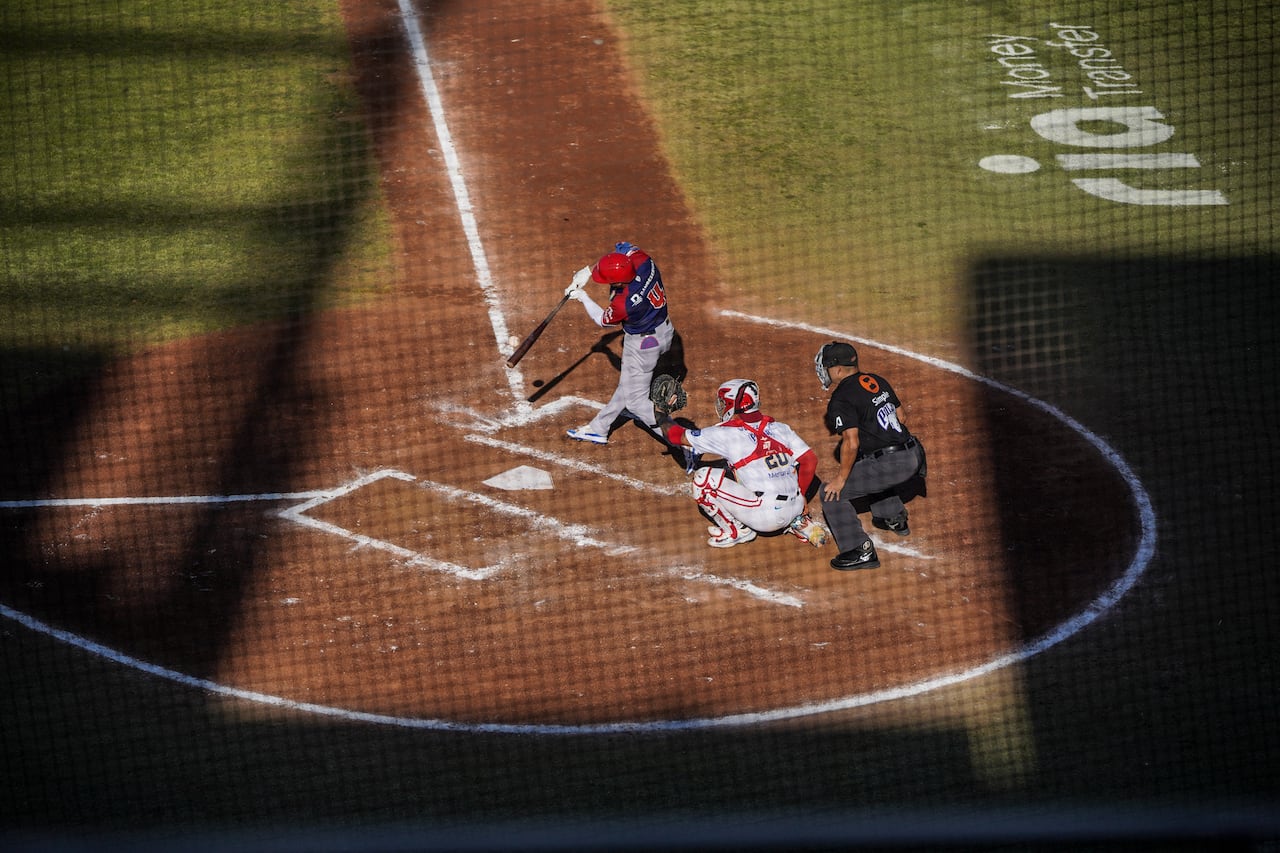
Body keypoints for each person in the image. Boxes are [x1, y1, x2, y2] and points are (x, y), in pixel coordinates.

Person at [660, 378, 830, 549]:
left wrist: (660, 412)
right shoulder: (781, 428)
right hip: (797, 507)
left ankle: (736, 531)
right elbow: (809, 461)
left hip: (766, 518)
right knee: (759, 467)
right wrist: (801, 496)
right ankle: (799, 523)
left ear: (732, 403)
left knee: (703, 479)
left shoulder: (726, 433)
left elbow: (675, 436)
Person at [814, 341, 925, 571]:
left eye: (826, 367)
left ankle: (859, 550)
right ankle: (892, 516)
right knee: (869, 459)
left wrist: (841, 479)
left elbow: (851, 442)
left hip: (894, 464)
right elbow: (901, 416)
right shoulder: (875, 380)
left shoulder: (841, 398)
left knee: (830, 493)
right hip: (914, 452)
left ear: (838, 369)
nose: (824, 371)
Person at [563, 242, 677, 445]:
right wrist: (588, 271)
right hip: (665, 331)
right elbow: (621, 248)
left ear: (618, 283)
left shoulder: (623, 304)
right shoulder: (644, 262)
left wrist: (583, 297)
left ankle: (684, 442)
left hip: (643, 345)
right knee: (629, 384)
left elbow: (602, 321)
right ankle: (599, 428)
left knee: (635, 402)